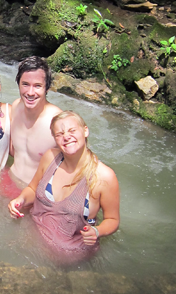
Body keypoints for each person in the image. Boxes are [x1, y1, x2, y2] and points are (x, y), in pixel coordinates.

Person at [8, 110, 120, 265]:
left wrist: (97, 231)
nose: (66, 136)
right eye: (59, 134)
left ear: (85, 131)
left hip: (69, 257)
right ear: (55, 139)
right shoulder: (50, 157)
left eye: (72, 130)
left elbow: (112, 219)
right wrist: (20, 199)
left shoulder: (104, 176)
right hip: (31, 239)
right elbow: (33, 189)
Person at [9, 56, 61, 186]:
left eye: (37, 86)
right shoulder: (16, 106)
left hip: (35, 193)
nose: (30, 93)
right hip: (9, 179)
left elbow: (80, 165)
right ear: (18, 84)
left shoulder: (58, 122)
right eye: (25, 84)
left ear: (47, 88)